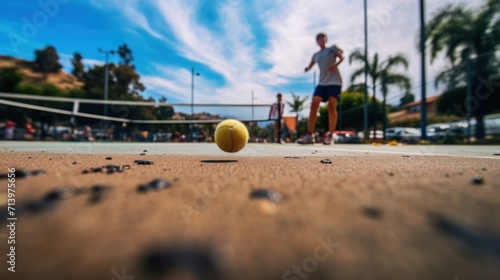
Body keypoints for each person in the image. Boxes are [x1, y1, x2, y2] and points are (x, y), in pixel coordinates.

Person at [297, 32, 344, 145]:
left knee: (332, 106)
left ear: (326, 39)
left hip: (334, 82)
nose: (320, 39)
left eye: (322, 37)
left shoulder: (332, 49)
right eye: (318, 38)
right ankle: (309, 135)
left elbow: (341, 57)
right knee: (314, 104)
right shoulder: (316, 55)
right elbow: (311, 64)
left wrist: (335, 64)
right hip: (322, 82)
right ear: (316, 41)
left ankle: (331, 136)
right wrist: (307, 68)